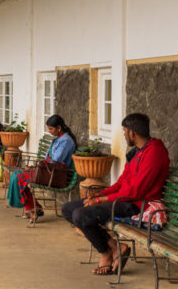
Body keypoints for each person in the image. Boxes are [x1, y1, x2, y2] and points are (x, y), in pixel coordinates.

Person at [61, 113, 170, 275]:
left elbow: (136, 192)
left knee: (80, 215)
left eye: (125, 131)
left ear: (132, 133)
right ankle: (115, 247)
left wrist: (100, 200)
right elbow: (120, 183)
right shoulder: (139, 152)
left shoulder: (154, 153)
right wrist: (98, 195)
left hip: (136, 204)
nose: (124, 135)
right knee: (68, 209)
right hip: (123, 199)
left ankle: (105, 252)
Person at [6, 115, 76, 221]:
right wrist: (35, 167)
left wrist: (37, 167)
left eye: (51, 129)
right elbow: (48, 159)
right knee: (16, 175)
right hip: (47, 170)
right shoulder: (58, 138)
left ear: (59, 128)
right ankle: (33, 207)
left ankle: (32, 208)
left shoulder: (66, 141)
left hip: (54, 174)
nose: (49, 131)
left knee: (19, 178)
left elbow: (55, 161)